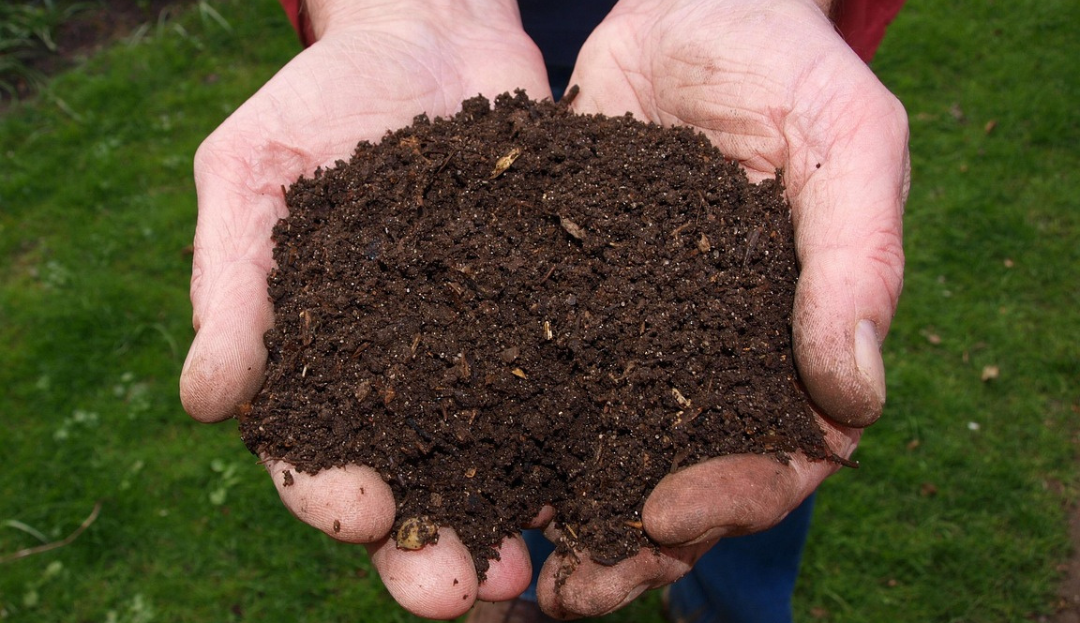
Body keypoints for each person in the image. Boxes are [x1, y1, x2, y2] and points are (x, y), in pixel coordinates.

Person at [179, 0, 909, 620]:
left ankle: (725, 606)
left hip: (696, 39)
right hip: (464, 27)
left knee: (741, 491)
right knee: (515, 481)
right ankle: (524, 555)